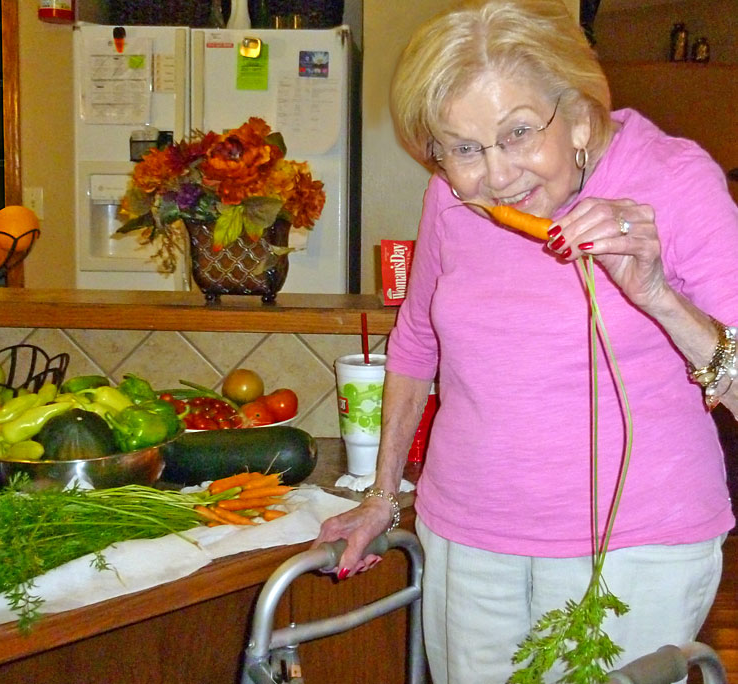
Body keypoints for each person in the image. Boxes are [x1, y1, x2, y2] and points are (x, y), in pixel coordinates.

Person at [313, 1, 738, 682]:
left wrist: (657, 296)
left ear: (576, 113)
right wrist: (382, 495)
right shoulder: (451, 198)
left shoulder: (675, 180)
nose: (496, 174)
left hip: (634, 548)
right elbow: (416, 345)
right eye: (461, 149)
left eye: (516, 134)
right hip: (466, 538)